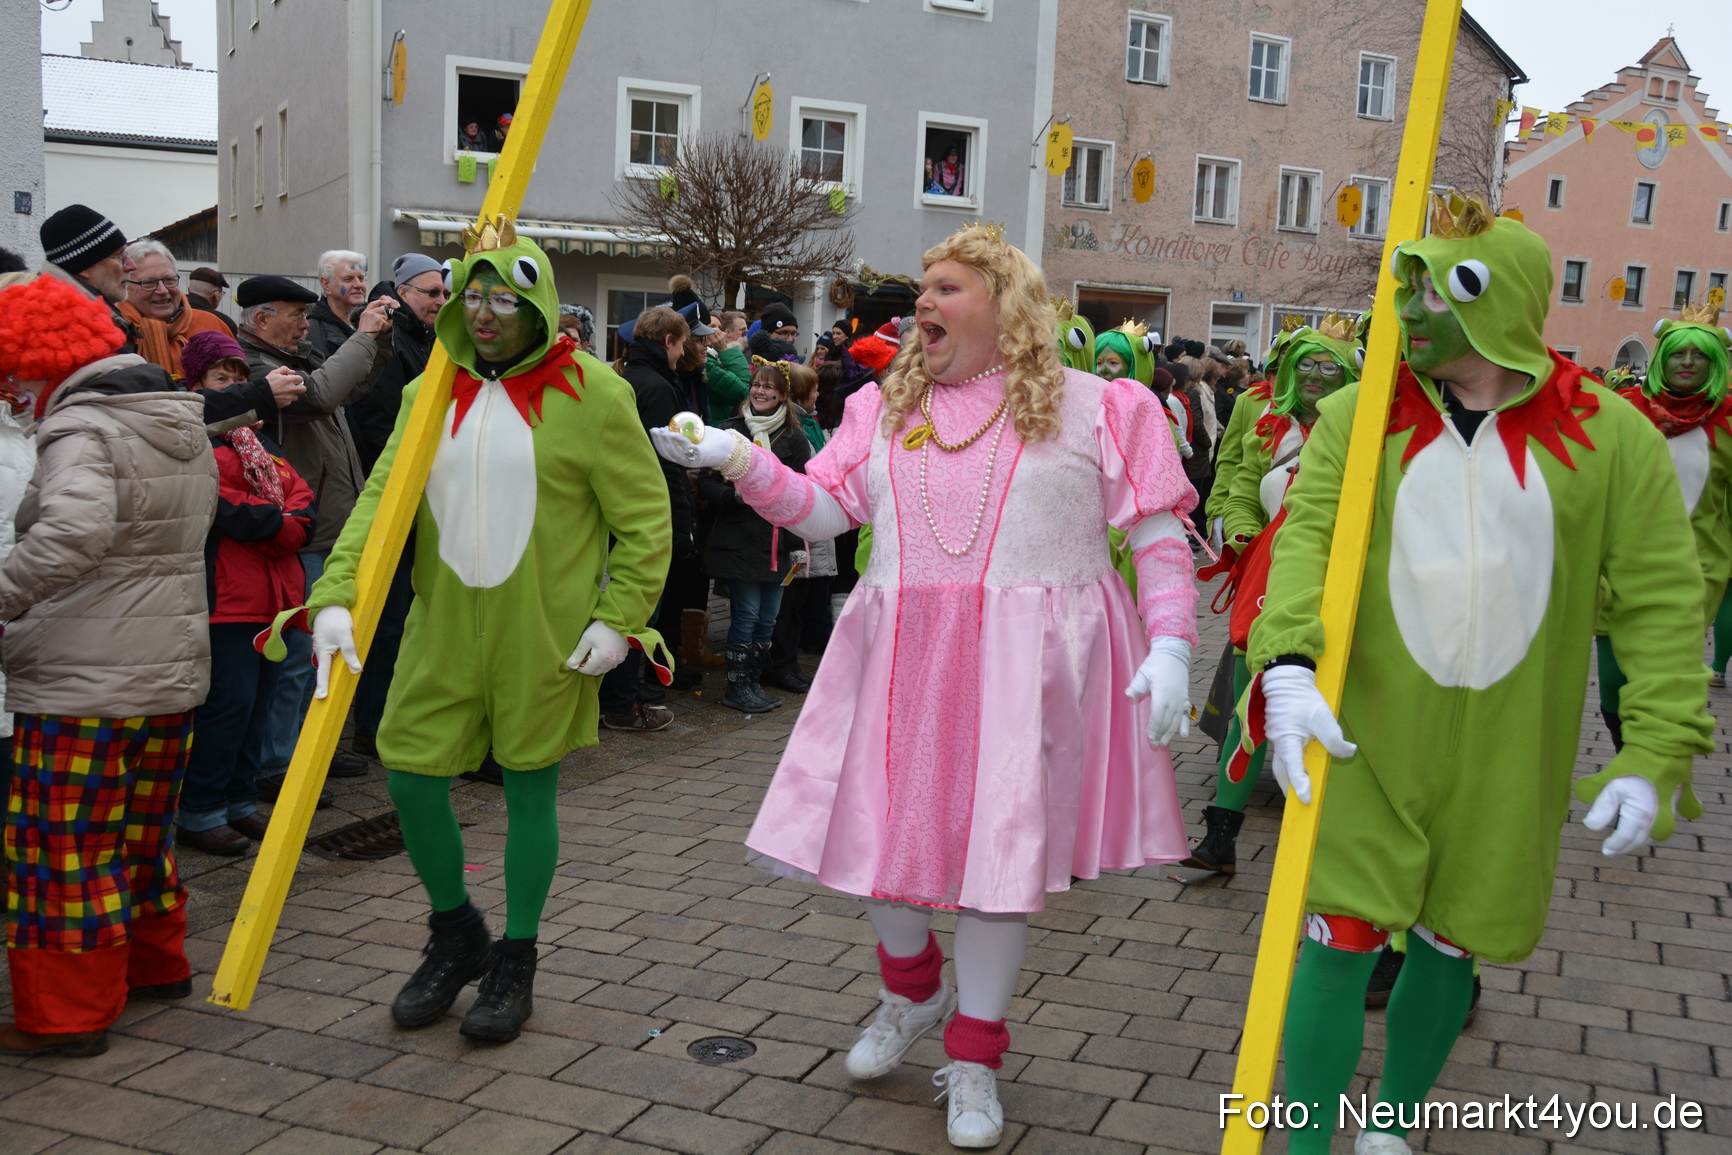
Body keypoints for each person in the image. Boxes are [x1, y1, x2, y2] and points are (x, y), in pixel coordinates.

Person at [651, 222, 1198, 1148]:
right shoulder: (880, 408)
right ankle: (910, 992)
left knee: (998, 866)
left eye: (947, 288)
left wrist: (1176, 642)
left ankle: (976, 1056)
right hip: (902, 652)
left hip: (1028, 669)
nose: (923, 306)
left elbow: (1154, 535)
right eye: (922, 290)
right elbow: (826, 508)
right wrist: (740, 463)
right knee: (881, 842)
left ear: (1005, 304)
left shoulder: (1101, 405)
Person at [1253, 197, 1713, 1153]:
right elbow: (1307, 542)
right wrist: (1288, 663)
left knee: (1453, 940)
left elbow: (1663, 600)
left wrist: (1656, 749)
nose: (1409, 308)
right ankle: (1303, 1143)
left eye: (1435, 289)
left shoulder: (1611, 435)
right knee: (1334, 944)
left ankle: (1392, 1125)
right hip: (1366, 737)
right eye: (1406, 285)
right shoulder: (1357, 414)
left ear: (1497, 302)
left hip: (1513, 754)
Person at [299, 216, 671, 1043]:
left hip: (541, 630)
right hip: (441, 624)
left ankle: (518, 954)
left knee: (530, 785)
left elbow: (647, 521)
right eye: (475, 297)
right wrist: (336, 594)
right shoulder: (426, 394)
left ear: (539, 305)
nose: (489, 312)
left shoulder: (597, 395)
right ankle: (455, 927)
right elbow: (379, 505)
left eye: (507, 297)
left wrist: (621, 620)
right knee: (408, 775)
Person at [0, 273, 218, 1057]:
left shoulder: (81, 428)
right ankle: (157, 967)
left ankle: (67, 1015)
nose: (13, 391)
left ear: (35, 359)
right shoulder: (172, 418)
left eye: (12, 373)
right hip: (166, 670)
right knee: (140, 832)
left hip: (83, 677)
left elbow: (71, 534)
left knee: (63, 848)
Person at [1184, 319, 1360, 874]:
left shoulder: (1365, 430)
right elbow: (1236, 485)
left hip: (1344, 578)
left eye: (1328, 366)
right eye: (1304, 364)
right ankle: (1221, 834)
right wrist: (1238, 533)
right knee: (1247, 702)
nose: (1313, 376)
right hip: (1267, 571)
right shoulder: (1263, 421)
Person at [238, 274, 394, 800]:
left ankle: (309, 752)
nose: (306, 325)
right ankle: (276, 767)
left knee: (318, 657)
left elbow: (356, 385)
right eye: (295, 315)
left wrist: (381, 336)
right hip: (302, 535)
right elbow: (326, 393)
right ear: (261, 319)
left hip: (328, 527)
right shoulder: (254, 367)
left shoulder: (294, 356)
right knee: (298, 658)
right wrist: (363, 335)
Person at [174, 331, 316, 856]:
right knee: (227, 706)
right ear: (197, 386)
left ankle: (238, 800)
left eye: (239, 379)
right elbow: (219, 503)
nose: (233, 388)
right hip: (230, 596)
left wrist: (287, 520)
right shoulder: (197, 442)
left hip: (277, 597)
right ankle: (201, 810)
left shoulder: (260, 440)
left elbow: (300, 493)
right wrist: (281, 523)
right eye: (220, 379)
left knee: (259, 704)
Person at [1594, 306, 1732, 745]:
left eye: (1700, 355)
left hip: (1692, 575)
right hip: (1619, 572)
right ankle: (1626, 752)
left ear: (1716, 363)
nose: (1688, 362)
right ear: (1661, 359)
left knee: (1662, 681)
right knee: (1614, 686)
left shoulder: (1728, 421)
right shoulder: (1623, 411)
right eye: (1678, 353)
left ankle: (1651, 767)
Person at [695, 359, 812, 712]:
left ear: (782, 394)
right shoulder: (729, 431)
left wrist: (798, 546)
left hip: (776, 540)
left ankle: (754, 683)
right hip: (738, 537)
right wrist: (734, 496)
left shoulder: (793, 437)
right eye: (756, 384)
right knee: (746, 614)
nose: (760, 391)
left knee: (768, 618)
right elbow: (706, 483)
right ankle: (736, 689)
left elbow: (800, 490)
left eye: (769, 386)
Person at [606, 305, 697, 731]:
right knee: (641, 609)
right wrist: (680, 524)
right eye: (681, 345)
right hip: (648, 510)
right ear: (667, 342)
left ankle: (627, 692)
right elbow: (666, 462)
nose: (683, 353)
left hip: (622, 507)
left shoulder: (628, 377)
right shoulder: (658, 386)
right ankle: (623, 702)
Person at [116, 240, 231, 381]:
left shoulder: (212, 326)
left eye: (169, 280)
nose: (162, 290)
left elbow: (239, 384)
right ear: (125, 284)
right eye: (149, 283)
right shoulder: (114, 335)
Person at [38, 203, 137, 354]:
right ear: (84, 267)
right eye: (119, 256)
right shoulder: (70, 329)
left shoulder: (83, 316)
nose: (131, 265)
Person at [307, 251, 370, 359]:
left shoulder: (374, 320)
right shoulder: (311, 331)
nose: (358, 285)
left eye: (361, 278)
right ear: (326, 284)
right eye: (348, 279)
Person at [186, 268, 237, 334]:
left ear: (189, 290)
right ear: (217, 294)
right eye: (222, 293)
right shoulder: (224, 323)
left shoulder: (172, 311)